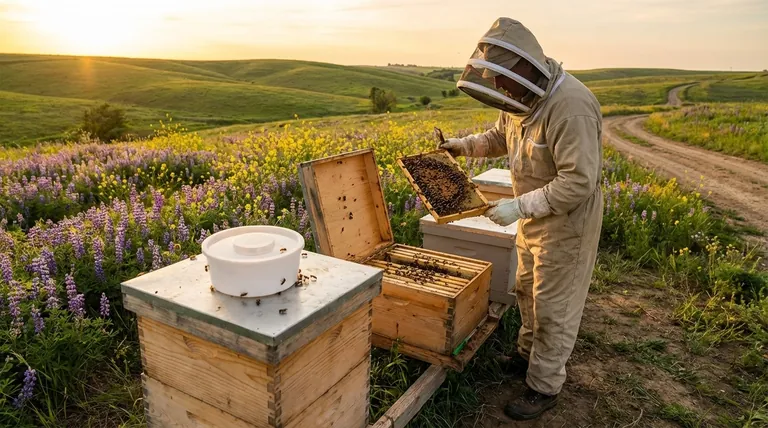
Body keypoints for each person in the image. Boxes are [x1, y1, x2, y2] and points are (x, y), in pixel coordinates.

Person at [440, 17, 604, 421]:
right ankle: (527, 357)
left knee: (554, 306)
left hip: (567, 223)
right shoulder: (521, 99)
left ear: (525, 67)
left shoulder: (571, 108)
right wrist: (463, 146)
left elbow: (579, 181)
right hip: (534, 216)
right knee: (527, 289)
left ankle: (544, 385)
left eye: (503, 80)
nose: (499, 90)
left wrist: (519, 207)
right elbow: (500, 137)